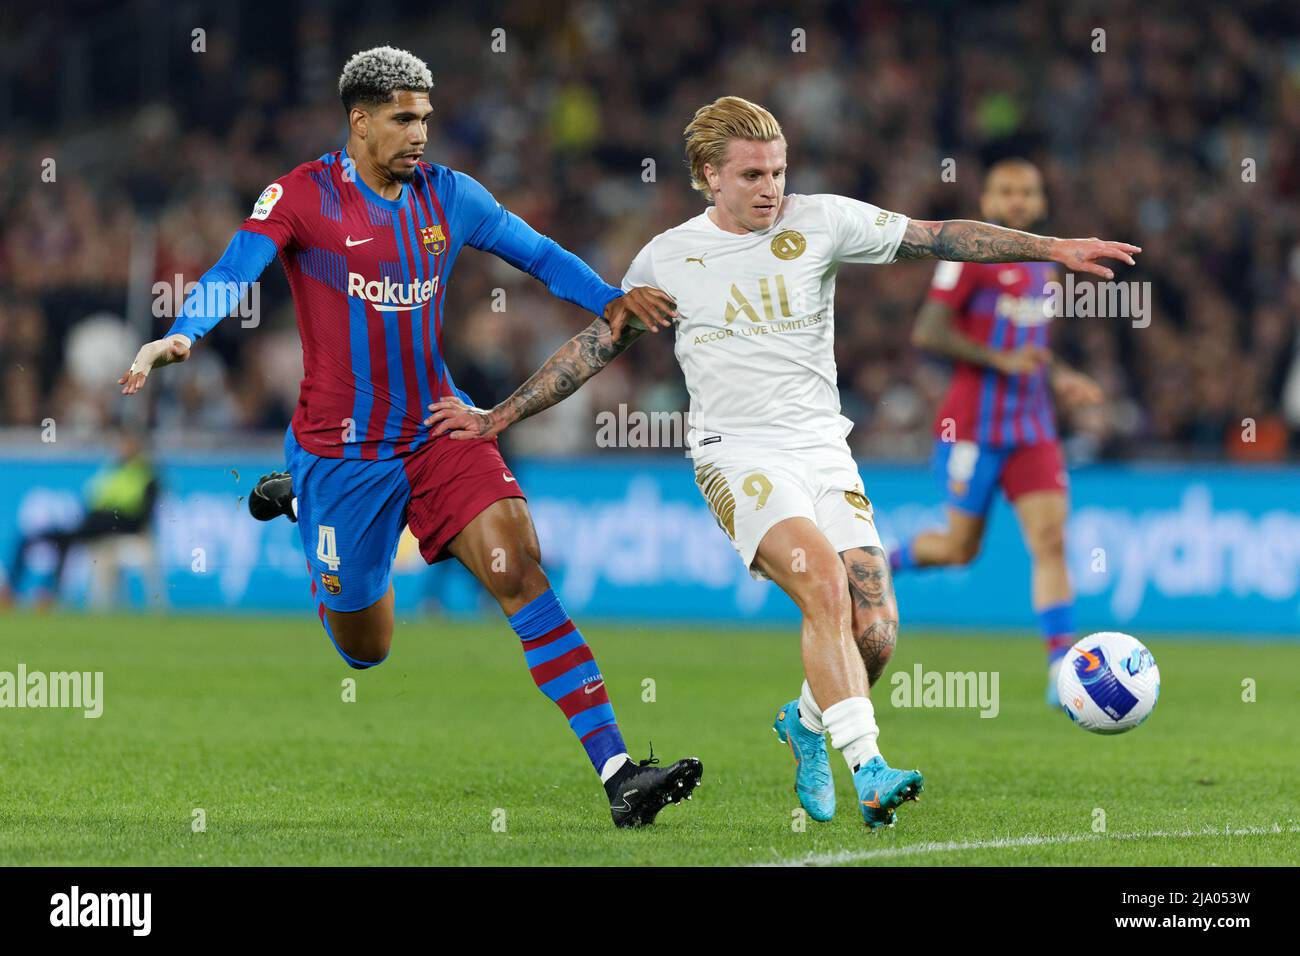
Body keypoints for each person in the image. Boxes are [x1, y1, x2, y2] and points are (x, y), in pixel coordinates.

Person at [423, 96, 1139, 829]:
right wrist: (498, 416)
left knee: (876, 632)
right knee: (823, 582)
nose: (771, 188)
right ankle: (869, 768)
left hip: (823, 449)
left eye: (778, 170)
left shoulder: (820, 221)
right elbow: (594, 346)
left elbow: (938, 236)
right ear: (708, 176)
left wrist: (1050, 247)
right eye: (753, 175)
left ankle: (803, 723)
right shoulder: (667, 259)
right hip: (736, 456)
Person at [119, 46, 699, 829]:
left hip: (437, 428)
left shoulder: (449, 197)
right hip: (341, 454)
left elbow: (537, 255)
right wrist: (183, 335)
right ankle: (306, 507)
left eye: (424, 116)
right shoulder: (302, 196)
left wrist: (612, 300)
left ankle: (620, 774)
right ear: (359, 121)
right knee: (367, 647)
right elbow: (233, 269)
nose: (420, 132)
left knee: (517, 566)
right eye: (403, 118)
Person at [891, 159, 1103, 707]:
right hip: (973, 428)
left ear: (1040, 203)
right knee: (960, 549)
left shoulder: (1044, 267)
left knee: (1051, 540)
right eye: (1005, 192)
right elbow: (928, 330)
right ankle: (875, 564)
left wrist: (1061, 376)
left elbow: (1029, 344)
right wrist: (997, 359)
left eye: (1026, 192)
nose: (1016, 201)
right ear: (986, 202)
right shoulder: (967, 259)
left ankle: (1062, 666)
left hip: (1033, 426)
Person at [1, 432, 158, 607]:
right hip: (95, 525)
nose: (121, 449)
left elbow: (142, 515)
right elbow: (93, 500)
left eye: (126, 445)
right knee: (36, 538)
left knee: (64, 541)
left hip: (117, 529)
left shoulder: (146, 475)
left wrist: (109, 518)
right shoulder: (112, 471)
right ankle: (19, 591)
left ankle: (48, 593)